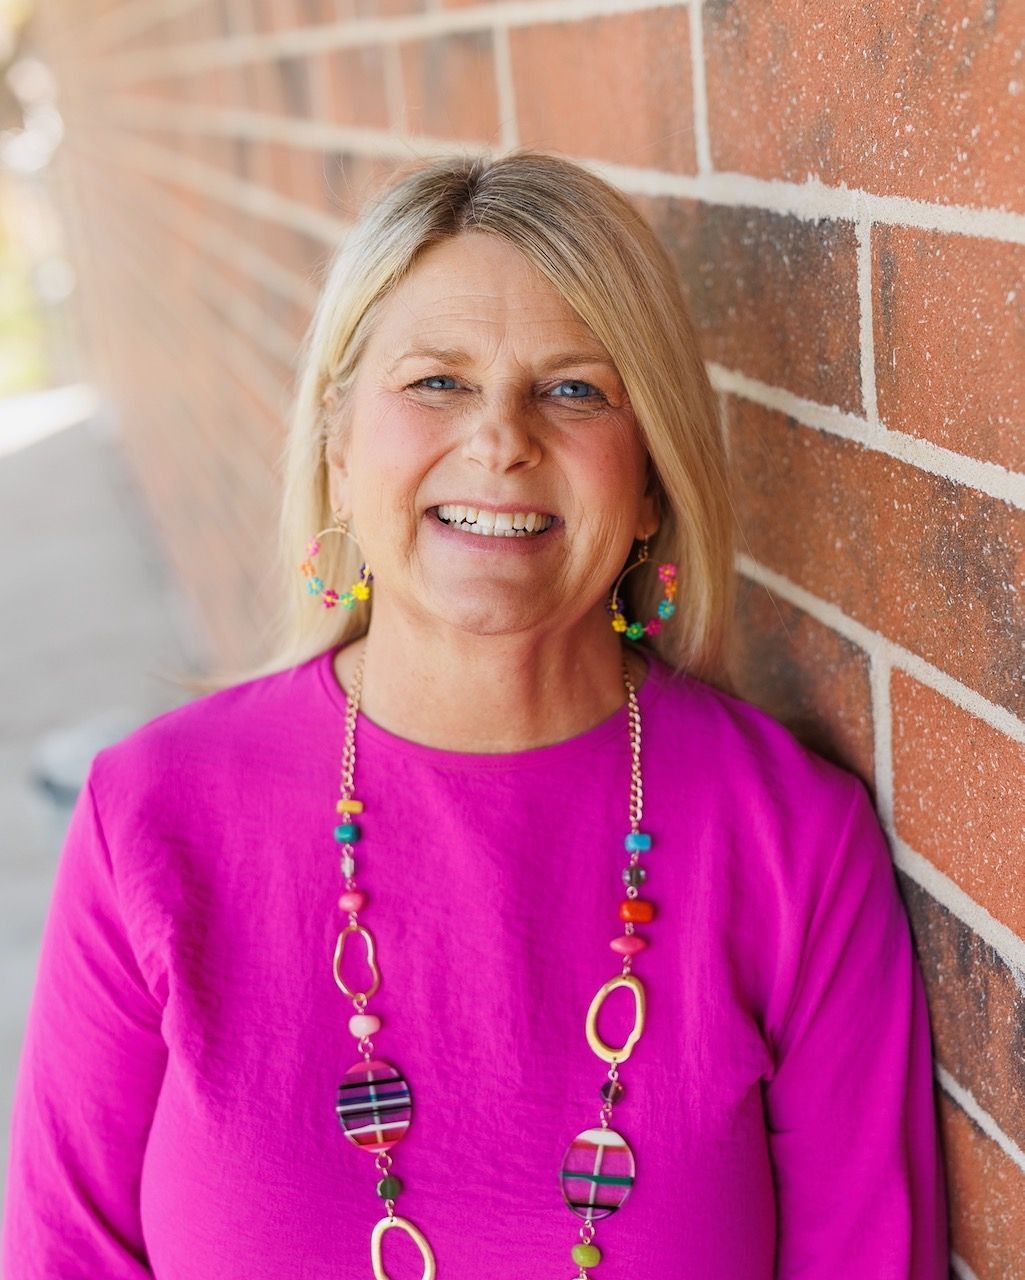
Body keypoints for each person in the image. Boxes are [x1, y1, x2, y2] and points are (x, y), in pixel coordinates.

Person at [3, 149, 948, 1278]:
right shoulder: (151, 814)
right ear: (339, 447)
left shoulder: (790, 840)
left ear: (649, 481)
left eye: (573, 388)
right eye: (436, 381)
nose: (501, 438)